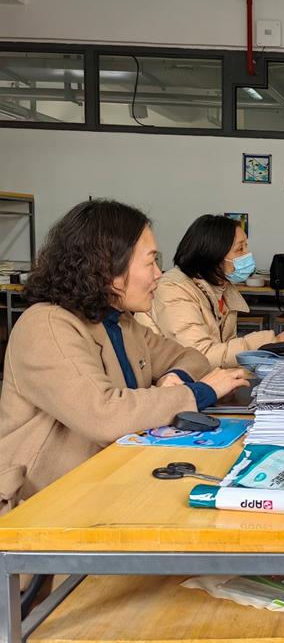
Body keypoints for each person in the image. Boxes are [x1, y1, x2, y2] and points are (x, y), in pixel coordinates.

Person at [0, 200, 249, 515]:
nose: (159, 274)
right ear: (109, 267)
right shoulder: (47, 325)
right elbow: (105, 414)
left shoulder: (120, 321)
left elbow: (192, 358)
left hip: (109, 481)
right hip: (42, 506)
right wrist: (200, 392)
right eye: (151, 262)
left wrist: (176, 378)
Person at [138, 214, 284, 367]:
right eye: (240, 249)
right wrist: (272, 342)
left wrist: (275, 344)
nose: (247, 255)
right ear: (213, 254)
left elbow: (224, 352)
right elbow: (200, 356)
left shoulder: (222, 287)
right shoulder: (173, 288)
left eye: (246, 247)